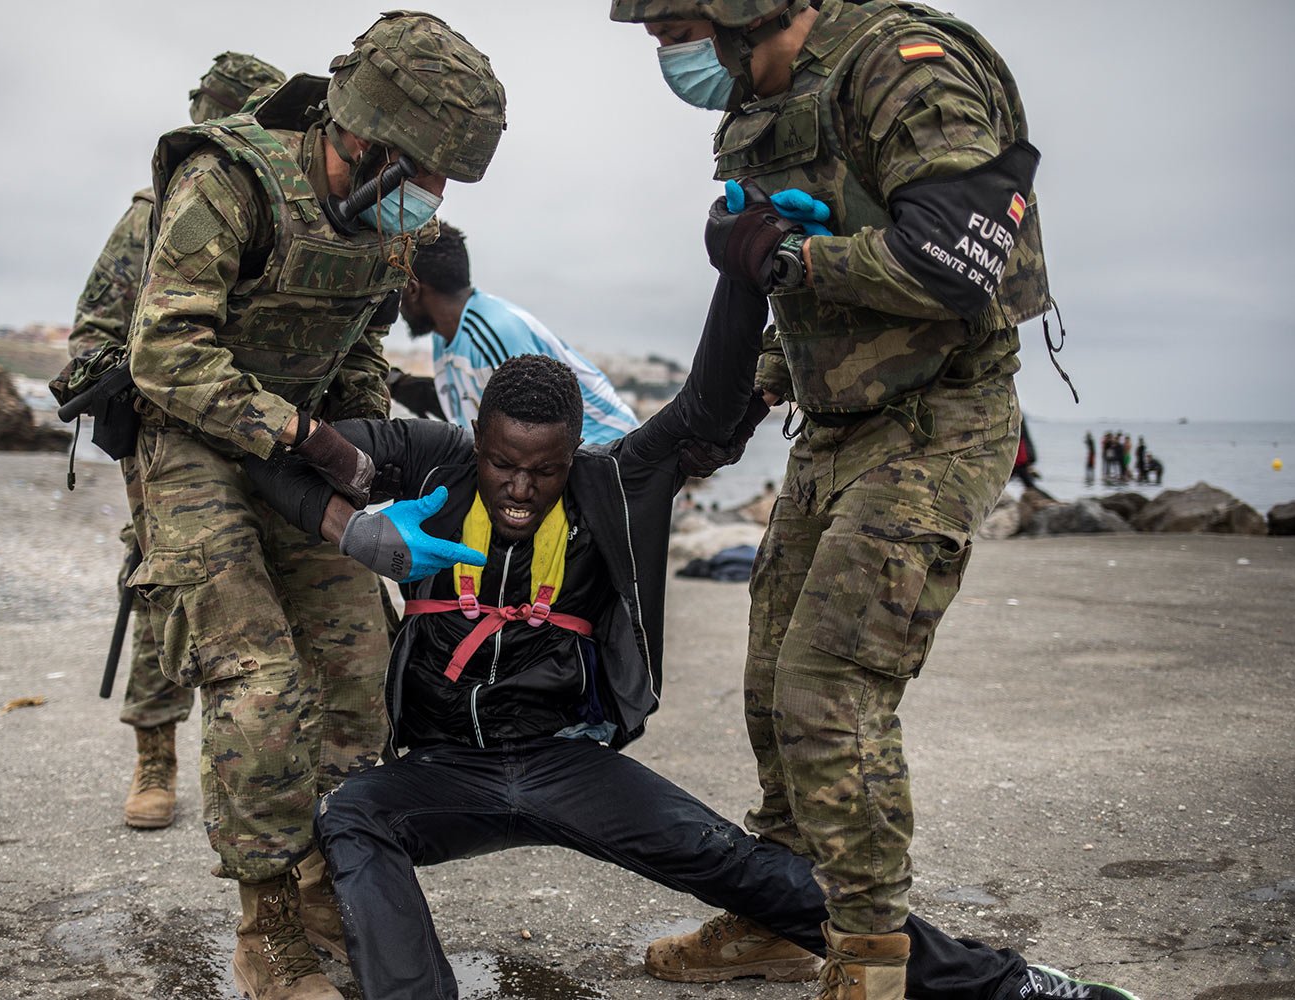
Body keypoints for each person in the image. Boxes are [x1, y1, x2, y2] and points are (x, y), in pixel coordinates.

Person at [250, 342, 1139, 1000]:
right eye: (502, 462)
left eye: (544, 470)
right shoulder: (427, 454)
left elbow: (708, 405)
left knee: (754, 873)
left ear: (572, 457)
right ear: (475, 438)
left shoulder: (611, 483)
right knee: (353, 819)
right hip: (444, 771)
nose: (519, 488)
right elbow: (275, 458)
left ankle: (1013, 987)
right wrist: (353, 528)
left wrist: (741, 274)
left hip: (568, 766)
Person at [614, 2, 1057, 994]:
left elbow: (958, 262)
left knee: (833, 687)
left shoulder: (904, 68)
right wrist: (772, 360)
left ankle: (868, 953)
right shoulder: (755, 101)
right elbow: (791, 268)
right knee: (773, 681)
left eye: (672, 30)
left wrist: (799, 258)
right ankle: (782, 909)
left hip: (940, 418)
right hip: (835, 421)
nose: (671, 56)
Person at [124, 12, 506, 999]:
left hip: (311, 449)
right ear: (366, 135)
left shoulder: (391, 227)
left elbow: (354, 351)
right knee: (260, 686)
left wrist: (369, 463)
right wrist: (300, 438)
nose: (433, 198)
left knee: (358, 674)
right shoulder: (232, 181)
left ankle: (323, 867)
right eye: (426, 169)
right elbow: (162, 354)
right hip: (195, 443)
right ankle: (269, 927)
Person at [71, 51, 286, 835]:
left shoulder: (275, 209)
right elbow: (93, 332)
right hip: (167, 438)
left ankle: (262, 772)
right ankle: (155, 755)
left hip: (256, 432)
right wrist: (130, 393)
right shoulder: (153, 215)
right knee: (167, 590)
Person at [399, 220, 640, 443]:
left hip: (603, 450)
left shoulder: (491, 335)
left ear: (412, 289)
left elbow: (531, 435)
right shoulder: (445, 334)